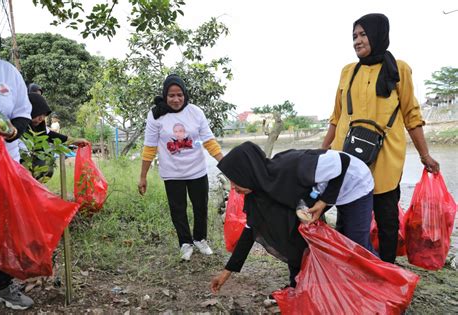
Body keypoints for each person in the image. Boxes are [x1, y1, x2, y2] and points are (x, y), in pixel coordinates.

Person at [321, 13, 440, 264]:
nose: (357, 41)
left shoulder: (400, 69)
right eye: (354, 36)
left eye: (363, 34)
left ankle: (386, 272)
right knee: (347, 216)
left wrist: (425, 155)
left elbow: (411, 116)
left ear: (378, 34)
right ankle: (348, 268)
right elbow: (336, 116)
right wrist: (322, 152)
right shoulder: (347, 72)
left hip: (385, 160)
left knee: (387, 220)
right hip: (349, 158)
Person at [210, 141, 374, 293]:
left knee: (357, 246)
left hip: (354, 182)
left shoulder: (292, 167)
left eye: (235, 180)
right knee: (333, 243)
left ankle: (382, 287)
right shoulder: (259, 192)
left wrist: (324, 201)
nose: (233, 187)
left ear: (247, 173)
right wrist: (227, 272)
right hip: (326, 188)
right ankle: (301, 284)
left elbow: (343, 160)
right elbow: (252, 229)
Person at [138, 74, 223, 261]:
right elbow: (149, 147)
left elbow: (209, 141)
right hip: (172, 172)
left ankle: (200, 239)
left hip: (197, 170)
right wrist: (143, 176)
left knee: (201, 206)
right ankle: (185, 243)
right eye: (171, 95)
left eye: (179, 95)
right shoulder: (156, 115)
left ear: (185, 94)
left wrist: (225, 164)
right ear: (165, 95)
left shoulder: (195, 112)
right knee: (178, 209)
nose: (176, 99)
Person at [0, 6, 34, 310]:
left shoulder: (7, 72)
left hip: (4, 165)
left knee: (4, 226)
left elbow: (23, 116)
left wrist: (13, 132)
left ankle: (1, 287)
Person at [25, 92, 89, 179]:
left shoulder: (40, 127)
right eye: (39, 114)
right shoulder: (18, 127)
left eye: (44, 115)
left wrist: (75, 141)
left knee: (46, 169)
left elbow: (52, 136)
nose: (41, 119)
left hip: (34, 174)